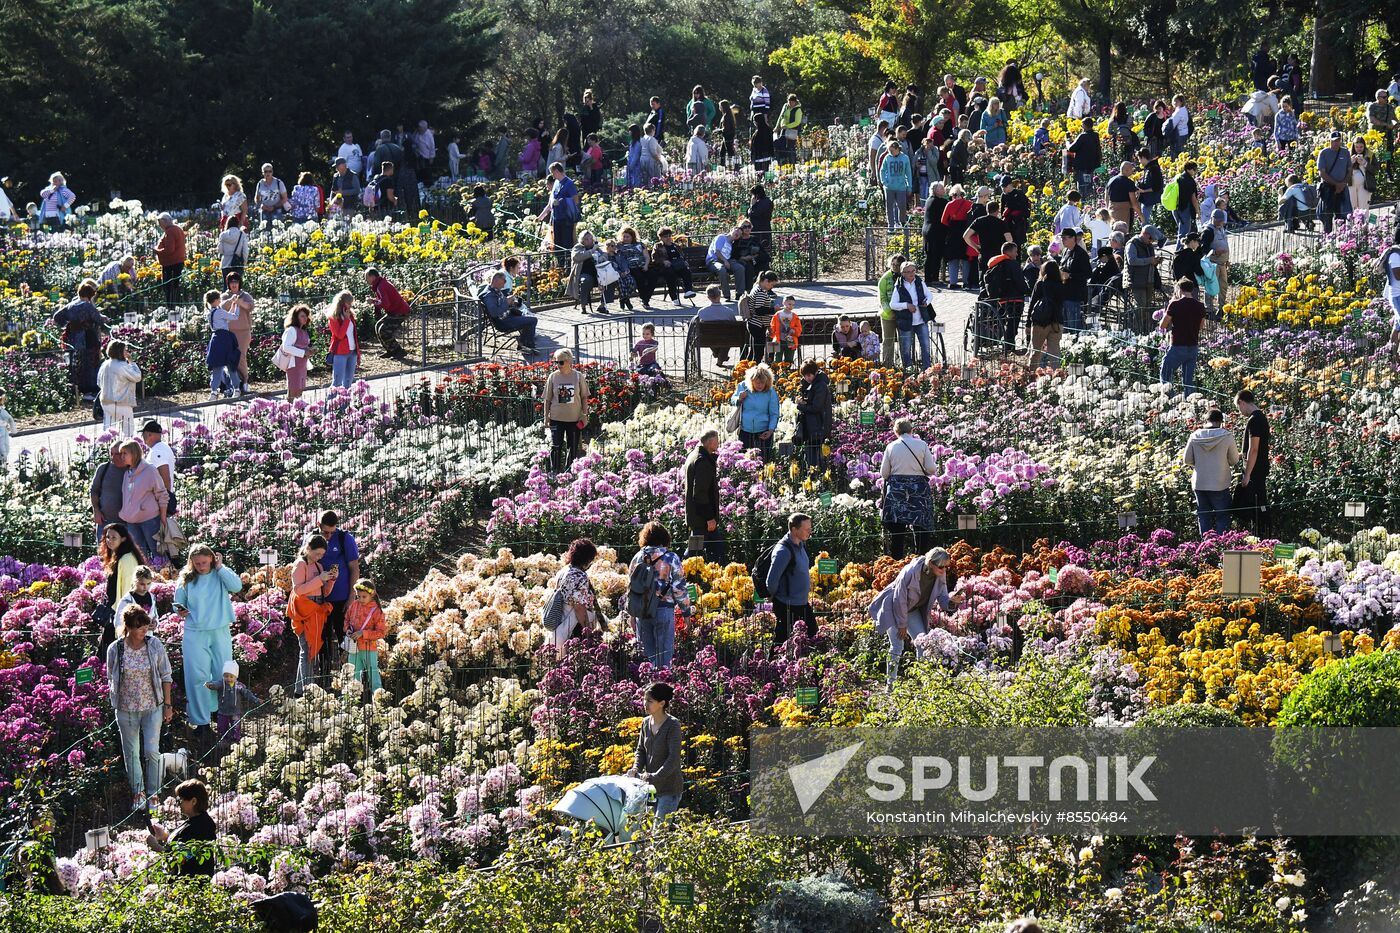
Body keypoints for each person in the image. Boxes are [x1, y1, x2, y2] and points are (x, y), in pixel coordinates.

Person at [105, 605, 173, 810]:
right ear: (128, 628)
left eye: (146, 626)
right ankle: (138, 793)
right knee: (131, 753)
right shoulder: (115, 649)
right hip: (126, 710)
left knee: (152, 751)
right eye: (140, 627)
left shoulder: (154, 646)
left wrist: (168, 705)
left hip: (152, 707)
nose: (145, 631)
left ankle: (154, 793)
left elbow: (166, 676)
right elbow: (110, 676)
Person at [172, 545, 242, 731]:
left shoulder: (220, 574)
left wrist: (220, 567)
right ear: (191, 563)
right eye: (197, 563)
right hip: (195, 632)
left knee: (224, 674)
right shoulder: (186, 579)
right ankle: (201, 721)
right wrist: (180, 610)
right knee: (198, 677)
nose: (201, 566)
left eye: (204, 562)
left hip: (219, 630)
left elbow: (237, 586)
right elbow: (177, 603)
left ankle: (221, 715)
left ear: (211, 558)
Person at [870, 546, 963, 684]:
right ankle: (890, 685)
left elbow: (942, 598)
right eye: (941, 567)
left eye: (946, 567)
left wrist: (951, 602)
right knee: (897, 646)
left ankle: (921, 684)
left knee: (923, 643)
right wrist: (902, 624)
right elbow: (899, 600)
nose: (944, 570)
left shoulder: (940, 574)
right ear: (931, 563)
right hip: (894, 608)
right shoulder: (910, 572)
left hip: (912, 609)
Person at [627, 523, 691, 669]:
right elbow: (679, 589)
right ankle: (662, 686)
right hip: (664, 609)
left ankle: (647, 687)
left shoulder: (637, 557)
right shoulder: (671, 558)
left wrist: (631, 614)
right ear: (665, 538)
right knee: (663, 659)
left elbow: (631, 588)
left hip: (641, 612)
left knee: (645, 660)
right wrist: (686, 613)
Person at [879, 419, 936, 558]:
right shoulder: (922, 445)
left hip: (897, 492)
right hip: (918, 491)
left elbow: (884, 473)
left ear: (896, 432)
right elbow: (931, 469)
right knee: (921, 527)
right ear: (912, 430)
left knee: (897, 530)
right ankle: (921, 559)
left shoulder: (891, 446)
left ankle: (896, 562)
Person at [628, 682, 683, 820]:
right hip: (650, 789)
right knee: (644, 828)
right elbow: (641, 750)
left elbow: (673, 758)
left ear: (662, 703)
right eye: (644, 700)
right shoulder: (645, 723)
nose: (645, 704)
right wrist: (636, 768)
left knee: (659, 830)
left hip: (668, 789)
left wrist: (656, 776)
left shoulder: (673, 725)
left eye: (650, 701)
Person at [1182, 408, 1240, 536]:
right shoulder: (1226, 436)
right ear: (1221, 421)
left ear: (1206, 420)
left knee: (1203, 516)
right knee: (1223, 516)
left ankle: (1206, 548)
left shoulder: (1195, 436)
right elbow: (1234, 459)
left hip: (1200, 483)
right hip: (1220, 483)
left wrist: (1200, 464)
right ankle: (1222, 546)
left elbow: (1187, 460)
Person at [290, 534, 335, 695]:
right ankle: (307, 691)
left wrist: (331, 580)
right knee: (306, 649)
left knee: (310, 650)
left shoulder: (318, 567)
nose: (319, 557)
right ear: (308, 548)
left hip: (316, 610)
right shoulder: (300, 565)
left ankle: (300, 690)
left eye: (322, 555)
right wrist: (319, 580)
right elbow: (298, 590)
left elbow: (325, 592)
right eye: (317, 554)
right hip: (303, 610)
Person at [146, 779, 217, 876]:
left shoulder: (203, 826)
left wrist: (156, 846)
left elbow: (183, 858)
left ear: (193, 801)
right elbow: (183, 842)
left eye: (181, 800)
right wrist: (164, 836)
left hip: (191, 886)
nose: (178, 803)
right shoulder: (194, 820)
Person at [51, 280, 106, 401]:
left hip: (75, 338)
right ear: (90, 295)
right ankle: (90, 390)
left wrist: (67, 324)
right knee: (91, 363)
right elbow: (98, 319)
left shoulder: (71, 305)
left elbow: (57, 317)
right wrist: (105, 318)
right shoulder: (87, 305)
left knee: (78, 364)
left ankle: (79, 389)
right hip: (88, 337)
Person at [765, 513, 815, 643]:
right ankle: (769, 663)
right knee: (781, 642)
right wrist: (775, 597)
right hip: (788, 605)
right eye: (806, 529)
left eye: (810, 528)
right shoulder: (783, 551)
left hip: (801, 603)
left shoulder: (800, 545)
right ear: (794, 529)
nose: (810, 532)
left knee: (814, 636)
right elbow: (771, 581)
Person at [99, 523, 148, 652]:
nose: (109, 540)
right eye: (107, 537)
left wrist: (122, 617)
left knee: (109, 652)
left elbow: (128, 590)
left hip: (120, 614)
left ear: (124, 538)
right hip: (115, 612)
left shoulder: (126, 559)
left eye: (114, 537)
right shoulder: (118, 556)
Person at [118, 439, 168, 560]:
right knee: (139, 556)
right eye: (121, 453)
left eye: (125, 453)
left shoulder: (150, 470)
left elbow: (162, 493)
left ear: (134, 453)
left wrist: (163, 517)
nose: (122, 457)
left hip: (149, 521)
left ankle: (165, 575)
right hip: (131, 522)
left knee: (158, 553)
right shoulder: (127, 473)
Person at [544, 348, 590, 472]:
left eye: (561, 362)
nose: (558, 365)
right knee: (556, 446)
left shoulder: (578, 376)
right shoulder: (553, 377)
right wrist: (546, 417)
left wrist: (584, 415)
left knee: (573, 447)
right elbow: (547, 399)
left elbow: (584, 397)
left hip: (574, 418)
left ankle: (570, 472)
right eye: (556, 362)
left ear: (569, 361)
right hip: (556, 418)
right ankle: (555, 472)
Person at [683, 432, 725, 565]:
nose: (718, 443)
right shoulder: (702, 461)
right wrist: (709, 518)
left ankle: (688, 575)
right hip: (703, 520)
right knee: (698, 557)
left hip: (697, 518)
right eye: (717, 440)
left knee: (695, 553)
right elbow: (700, 493)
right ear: (710, 442)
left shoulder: (693, 456)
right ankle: (688, 579)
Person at [1159, 278, 1205, 395]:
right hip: (1193, 347)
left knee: (1166, 374)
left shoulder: (1175, 304)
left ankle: (1170, 399)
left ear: (1179, 289)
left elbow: (1163, 325)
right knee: (1188, 381)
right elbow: (1201, 326)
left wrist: (1169, 307)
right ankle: (1188, 403)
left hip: (1178, 346)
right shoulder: (1200, 306)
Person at [1234, 389, 1270, 533]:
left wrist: (1247, 474)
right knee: (1259, 502)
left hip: (1255, 470)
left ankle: (1261, 533)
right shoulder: (1261, 417)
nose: (1239, 411)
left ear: (1241, 402)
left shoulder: (1254, 420)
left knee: (1257, 502)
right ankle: (1262, 532)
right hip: (1260, 466)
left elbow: (1254, 448)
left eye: (1238, 407)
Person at [888, 261, 935, 369]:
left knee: (926, 346)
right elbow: (892, 304)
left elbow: (929, 295)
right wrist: (906, 305)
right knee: (906, 349)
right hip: (906, 322)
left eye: (913, 270)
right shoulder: (899, 286)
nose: (911, 273)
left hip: (921, 320)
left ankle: (927, 370)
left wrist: (926, 302)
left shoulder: (919, 282)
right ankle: (908, 371)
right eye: (908, 271)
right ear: (902, 273)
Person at [482, 271, 539, 354]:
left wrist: (510, 301)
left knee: (527, 316)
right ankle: (526, 345)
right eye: (504, 280)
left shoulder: (495, 290)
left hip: (507, 316)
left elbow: (499, 304)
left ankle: (524, 344)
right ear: (496, 280)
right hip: (503, 322)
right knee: (533, 320)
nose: (505, 283)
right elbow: (495, 313)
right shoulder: (489, 295)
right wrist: (506, 303)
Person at [731, 362, 779, 459]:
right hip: (745, 430)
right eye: (757, 382)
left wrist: (770, 430)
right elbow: (732, 400)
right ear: (751, 381)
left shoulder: (771, 392)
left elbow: (774, 413)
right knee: (744, 461)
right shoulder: (743, 386)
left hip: (763, 432)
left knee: (763, 461)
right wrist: (739, 398)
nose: (760, 385)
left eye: (763, 382)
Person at [205, 660, 259, 743]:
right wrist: (210, 685)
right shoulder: (221, 684)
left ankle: (235, 740)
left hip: (235, 712)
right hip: (223, 711)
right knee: (222, 727)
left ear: (235, 676)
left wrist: (255, 700)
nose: (228, 679)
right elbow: (215, 685)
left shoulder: (239, 686)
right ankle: (223, 739)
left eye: (231, 676)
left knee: (236, 726)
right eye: (226, 676)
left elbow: (247, 693)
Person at [1123, 225, 1164, 331]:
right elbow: (1132, 260)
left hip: (1148, 281)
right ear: (1144, 234)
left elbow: (1149, 260)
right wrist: (1149, 260)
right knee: (1140, 308)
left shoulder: (1148, 245)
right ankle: (1137, 329)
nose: (1151, 241)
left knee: (1147, 307)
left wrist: (1156, 261)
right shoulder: (1132, 244)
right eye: (1150, 238)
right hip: (1137, 281)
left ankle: (1146, 329)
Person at [364, 267, 411, 358]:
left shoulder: (381, 286)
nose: (366, 280)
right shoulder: (381, 283)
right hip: (396, 310)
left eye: (366, 278)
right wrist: (374, 301)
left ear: (372, 277)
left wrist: (373, 301)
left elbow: (385, 303)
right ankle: (391, 350)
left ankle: (398, 351)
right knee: (378, 325)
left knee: (384, 330)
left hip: (400, 311)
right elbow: (384, 301)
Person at [96, 340, 141, 434]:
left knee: (108, 431)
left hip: (106, 401)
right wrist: (131, 362)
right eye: (125, 350)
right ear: (119, 351)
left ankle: (106, 446)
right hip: (122, 401)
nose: (127, 352)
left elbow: (99, 382)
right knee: (128, 431)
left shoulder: (104, 365)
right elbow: (137, 377)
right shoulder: (122, 366)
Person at [220, 272, 255, 393]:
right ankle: (234, 384)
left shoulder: (245, 295)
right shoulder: (225, 296)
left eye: (236, 282)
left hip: (243, 332)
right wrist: (231, 300)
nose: (234, 284)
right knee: (230, 358)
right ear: (228, 284)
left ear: (239, 283)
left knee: (241, 357)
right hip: (229, 332)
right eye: (231, 282)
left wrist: (240, 302)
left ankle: (245, 381)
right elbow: (221, 307)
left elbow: (251, 306)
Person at [204, 288, 241, 399]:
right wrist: (237, 304)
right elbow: (234, 317)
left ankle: (214, 392)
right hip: (224, 339)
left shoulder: (211, 313)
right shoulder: (219, 312)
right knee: (231, 365)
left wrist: (233, 304)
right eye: (219, 298)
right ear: (215, 300)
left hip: (215, 339)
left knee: (217, 366)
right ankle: (237, 389)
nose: (220, 300)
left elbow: (226, 318)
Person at [538, 162, 581, 260]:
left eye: (552, 173)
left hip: (566, 220)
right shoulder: (557, 182)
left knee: (566, 245)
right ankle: (559, 267)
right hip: (557, 219)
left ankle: (568, 266)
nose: (552, 175)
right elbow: (551, 202)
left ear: (557, 171)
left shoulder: (569, 184)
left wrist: (561, 202)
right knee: (557, 245)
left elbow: (576, 200)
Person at [1028, 259, 1065, 369]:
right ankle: (1057, 376)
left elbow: (1032, 303)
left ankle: (1032, 377)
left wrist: (1027, 323)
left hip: (1041, 321)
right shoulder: (1061, 285)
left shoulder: (1040, 284)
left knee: (1036, 351)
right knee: (1055, 353)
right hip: (1057, 321)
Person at [795, 360, 832, 469]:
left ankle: (819, 480)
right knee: (811, 460)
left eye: (809, 375)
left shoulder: (820, 386)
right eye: (805, 376)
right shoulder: (809, 385)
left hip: (819, 427)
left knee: (818, 460)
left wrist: (800, 405)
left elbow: (816, 407)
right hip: (811, 427)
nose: (807, 378)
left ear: (815, 372)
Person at [90, 442, 128, 537]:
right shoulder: (103, 468)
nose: (113, 457)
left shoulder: (133, 470)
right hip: (105, 521)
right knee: (104, 551)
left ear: (125, 454)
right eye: (111, 454)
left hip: (128, 523)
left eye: (117, 454)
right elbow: (94, 490)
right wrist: (96, 511)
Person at [1315, 132, 1351, 233]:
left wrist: (1343, 183)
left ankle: (1342, 236)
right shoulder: (1324, 153)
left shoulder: (1345, 152)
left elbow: (1349, 170)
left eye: (1338, 140)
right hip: (1328, 188)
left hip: (1342, 188)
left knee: (1342, 214)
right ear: (1329, 141)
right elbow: (1322, 173)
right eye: (1334, 140)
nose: (1336, 142)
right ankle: (1328, 236)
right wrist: (1336, 184)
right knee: (1327, 215)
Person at [651, 227, 697, 304]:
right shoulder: (658, 246)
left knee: (686, 271)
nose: (668, 238)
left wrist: (684, 261)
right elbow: (654, 258)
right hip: (665, 268)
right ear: (661, 238)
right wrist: (663, 261)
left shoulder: (676, 246)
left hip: (678, 266)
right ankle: (674, 297)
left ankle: (688, 291)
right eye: (665, 236)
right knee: (670, 274)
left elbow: (682, 256)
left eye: (669, 236)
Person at [940, 187, 974, 289]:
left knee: (952, 258)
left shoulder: (949, 204)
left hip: (953, 233)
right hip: (965, 232)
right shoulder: (969, 204)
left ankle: (953, 282)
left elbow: (943, 220)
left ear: (953, 195)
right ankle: (966, 281)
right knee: (965, 259)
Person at [326, 290, 359, 388]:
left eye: (351, 303)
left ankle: (345, 403)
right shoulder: (333, 317)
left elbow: (354, 335)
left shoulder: (350, 314)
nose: (350, 305)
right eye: (348, 303)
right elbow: (339, 335)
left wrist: (358, 353)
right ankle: (331, 403)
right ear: (341, 302)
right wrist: (346, 320)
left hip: (352, 351)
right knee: (337, 382)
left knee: (348, 382)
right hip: (340, 352)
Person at [279, 303, 313, 399]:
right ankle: (288, 411)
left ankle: (296, 411)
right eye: (302, 316)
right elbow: (286, 347)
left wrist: (309, 351)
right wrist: (303, 353)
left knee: (300, 391)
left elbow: (303, 346)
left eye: (306, 316)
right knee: (293, 392)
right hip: (293, 365)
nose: (305, 318)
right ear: (296, 317)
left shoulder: (304, 331)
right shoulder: (291, 330)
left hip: (302, 365)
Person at [876, 253, 905, 366]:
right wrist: (890, 312)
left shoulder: (905, 276)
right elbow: (882, 298)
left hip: (903, 315)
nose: (895, 267)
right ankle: (887, 365)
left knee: (904, 341)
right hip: (888, 315)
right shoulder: (885, 278)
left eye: (898, 265)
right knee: (888, 341)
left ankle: (906, 364)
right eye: (893, 264)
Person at [744, 272, 780, 363]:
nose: (771, 287)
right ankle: (758, 369)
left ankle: (751, 367)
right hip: (758, 324)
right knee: (758, 352)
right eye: (772, 284)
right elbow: (758, 310)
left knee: (754, 350)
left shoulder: (756, 288)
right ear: (766, 281)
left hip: (754, 323)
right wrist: (773, 309)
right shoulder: (761, 292)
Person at [707, 226, 747, 301]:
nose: (738, 233)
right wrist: (725, 261)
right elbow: (716, 252)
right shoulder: (721, 237)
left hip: (727, 261)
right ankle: (727, 295)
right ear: (731, 229)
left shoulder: (733, 243)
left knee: (740, 268)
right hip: (714, 260)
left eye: (740, 234)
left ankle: (739, 294)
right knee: (722, 270)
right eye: (737, 230)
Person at [154, 213, 186, 305]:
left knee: (169, 288)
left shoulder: (170, 231)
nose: (159, 225)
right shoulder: (178, 229)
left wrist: (157, 251)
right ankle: (176, 307)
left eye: (160, 223)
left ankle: (171, 308)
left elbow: (169, 250)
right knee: (175, 287)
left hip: (171, 264)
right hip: (177, 262)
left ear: (165, 221)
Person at [879, 140, 912, 229]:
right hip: (889, 187)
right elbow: (882, 170)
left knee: (902, 206)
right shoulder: (887, 157)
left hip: (901, 186)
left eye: (892, 150)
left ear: (897, 149)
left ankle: (902, 222)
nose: (890, 152)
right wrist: (884, 182)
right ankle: (891, 226)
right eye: (889, 150)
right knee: (889, 207)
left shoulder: (905, 158)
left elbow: (908, 173)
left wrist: (909, 186)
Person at [1066, 118, 1102, 198]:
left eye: (1082, 125)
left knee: (1082, 186)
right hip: (1091, 165)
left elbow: (1071, 148)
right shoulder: (1095, 135)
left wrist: (1068, 141)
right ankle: (1089, 201)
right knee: (1089, 184)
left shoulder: (1083, 136)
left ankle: (1083, 201)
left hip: (1081, 165)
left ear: (1085, 125)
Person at [252, 163, 288, 230]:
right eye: (265, 171)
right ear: (262, 173)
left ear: (272, 172)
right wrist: (261, 205)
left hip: (277, 210)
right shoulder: (260, 183)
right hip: (264, 211)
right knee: (264, 231)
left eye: (270, 171)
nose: (268, 173)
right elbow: (257, 198)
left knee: (278, 230)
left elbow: (285, 198)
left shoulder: (279, 182)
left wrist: (274, 207)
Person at [769, 296, 802, 365]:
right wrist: (770, 332)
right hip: (777, 339)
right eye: (789, 304)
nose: (791, 306)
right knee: (777, 359)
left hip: (790, 339)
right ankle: (777, 373)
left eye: (793, 305)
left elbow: (799, 328)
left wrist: (794, 330)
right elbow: (772, 326)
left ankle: (787, 372)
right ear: (783, 303)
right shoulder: (777, 315)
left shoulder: (795, 316)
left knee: (789, 359)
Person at [1348, 137, 1375, 216]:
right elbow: (1342, 170)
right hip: (1351, 185)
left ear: (1364, 146)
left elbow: (1375, 170)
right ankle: (1352, 227)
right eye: (1357, 147)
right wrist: (1350, 163)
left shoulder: (1370, 154)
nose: (1359, 149)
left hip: (1365, 185)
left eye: (1361, 147)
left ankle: (1364, 227)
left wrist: (1365, 163)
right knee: (1352, 207)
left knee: (1363, 207)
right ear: (1354, 146)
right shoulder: (1348, 154)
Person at [217, 213, 248, 281]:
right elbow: (245, 251)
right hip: (237, 264)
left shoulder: (223, 235)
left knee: (226, 286)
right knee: (237, 286)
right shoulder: (241, 234)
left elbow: (220, 250)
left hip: (225, 263)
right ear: (237, 223)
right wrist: (244, 263)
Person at [775, 94, 803, 165]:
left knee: (791, 147)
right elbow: (782, 117)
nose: (790, 103)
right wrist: (781, 124)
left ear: (795, 102)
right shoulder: (786, 107)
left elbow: (797, 122)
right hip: (784, 130)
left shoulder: (798, 110)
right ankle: (783, 162)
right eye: (789, 102)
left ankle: (792, 163)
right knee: (781, 145)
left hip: (792, 131)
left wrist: (787, 126)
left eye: (792, 102)